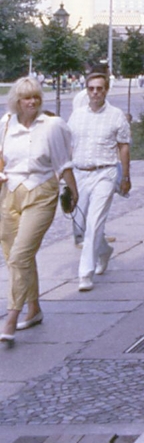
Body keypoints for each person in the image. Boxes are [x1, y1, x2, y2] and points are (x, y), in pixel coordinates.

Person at [0, 77, 78, 342]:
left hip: (42, 191)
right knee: (15, 253)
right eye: (26, 98)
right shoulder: (6, 124)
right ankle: (34, 309)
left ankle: (11, 315)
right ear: (17, 102)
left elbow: (63, 163)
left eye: (35, 97)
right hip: (10, 192)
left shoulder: (52, 125)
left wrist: (73, 191)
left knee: (20, 255)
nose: (32, 102)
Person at [68, 70, 131, 291]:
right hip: (80, 173)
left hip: (105, 173)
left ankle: (85, 274)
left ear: (106, 90)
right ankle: (104, 251)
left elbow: (123, 146)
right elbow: (70, 144)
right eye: (91, 88)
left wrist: (125, 176)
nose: (95, 93)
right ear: (87, 90)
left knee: (95, 222)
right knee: (81, 223)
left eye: (99, 89)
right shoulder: (77, 115)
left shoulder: (116, 115)